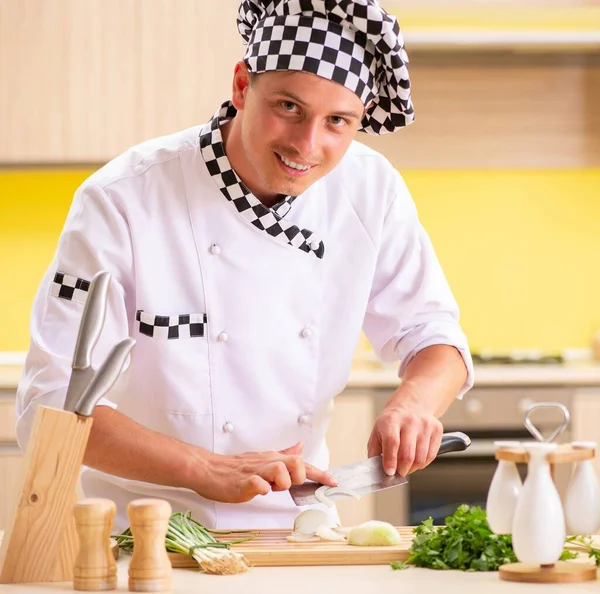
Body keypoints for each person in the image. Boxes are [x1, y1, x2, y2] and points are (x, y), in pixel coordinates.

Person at [16, 0, 474, 531]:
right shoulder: (123, 199)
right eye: (288, 107)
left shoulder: (371, 191)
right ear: (241, 86)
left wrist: (414, 404)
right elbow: (48, 409)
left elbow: (434, 336)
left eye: (337, 122)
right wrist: (204, 468)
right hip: (143, 535)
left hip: (298, 531)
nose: (308, 145)